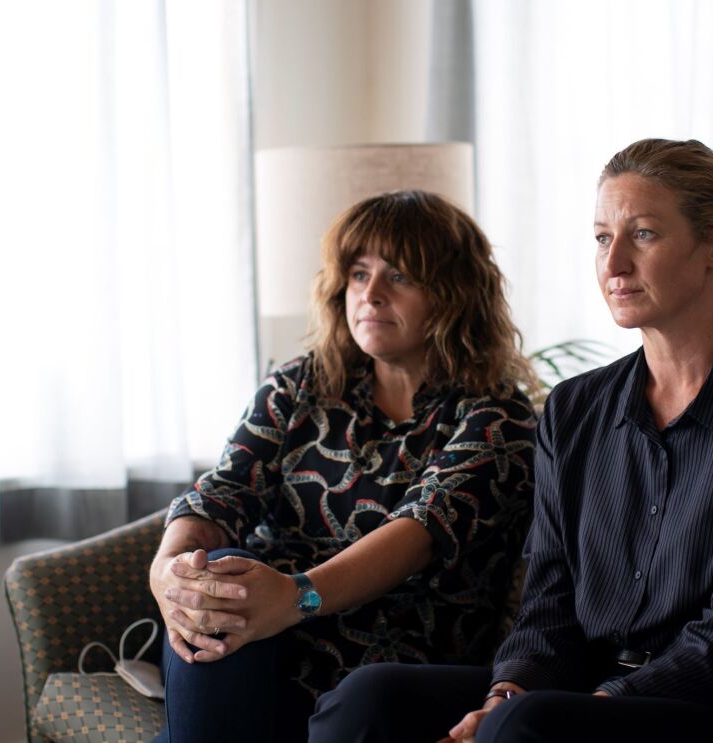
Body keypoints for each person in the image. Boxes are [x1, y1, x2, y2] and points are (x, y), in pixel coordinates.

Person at [308, 138, 713, 743]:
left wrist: (593, 703)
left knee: (531, 726)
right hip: (589, 693)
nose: (614, 264)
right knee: (370, 699)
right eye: (603, 238)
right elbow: (548, 605)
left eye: (645, 234)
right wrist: (506, 693)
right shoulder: (575, 410)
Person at [149, 190, 538, 742]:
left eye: (399, 276)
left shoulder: (496, 415)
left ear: (453, 296)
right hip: (271, 642)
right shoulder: (302, 383)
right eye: (358, 274)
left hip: (395, 661)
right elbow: (224, 490)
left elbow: (421, 529)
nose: (371, 294)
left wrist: (295, 595)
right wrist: (166, 569)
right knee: (219, 575)